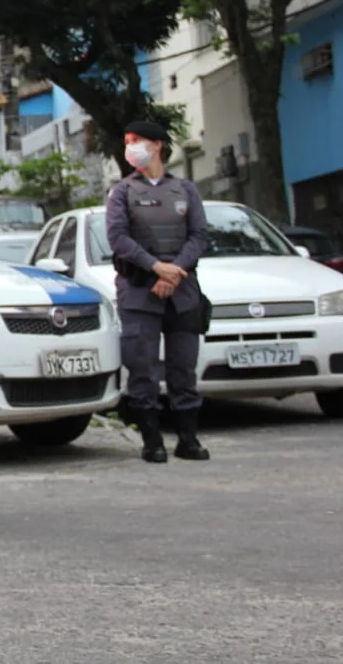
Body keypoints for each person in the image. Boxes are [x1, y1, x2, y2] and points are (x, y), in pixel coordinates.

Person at [107, 120, 211, 464]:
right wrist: (156, 267)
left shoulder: (185, 189)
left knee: (183, 367)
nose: (130, 146)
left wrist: (174, 270)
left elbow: (199, 236)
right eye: (126, 140)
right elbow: (119, 239)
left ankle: (188, 439)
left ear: (157, 145)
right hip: (139, 289)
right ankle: (152, 442)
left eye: (136, 140)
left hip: (181, 289)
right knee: (143, 368)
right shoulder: (122, 191)